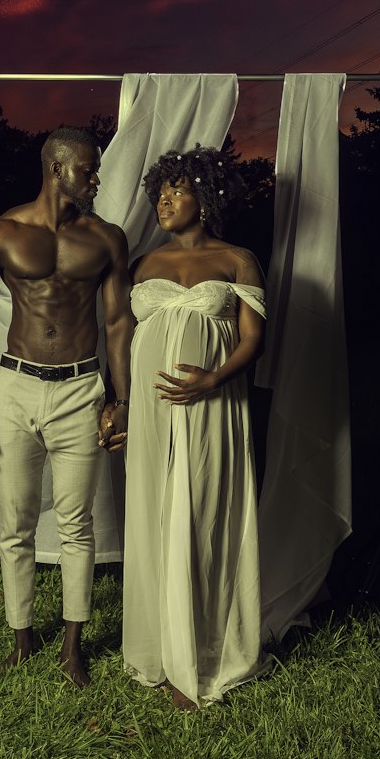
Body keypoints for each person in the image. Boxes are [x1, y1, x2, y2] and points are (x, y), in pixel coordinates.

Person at [0, 126, 132, 687]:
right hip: (14, 389)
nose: (96, 177)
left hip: (81, 387)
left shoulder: (106, 238)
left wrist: (122, 397)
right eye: (89, 168)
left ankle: (73, 646)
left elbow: (118, 323)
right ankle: (22, 635)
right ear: (57, 169)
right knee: (17, 522)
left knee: (78, 524)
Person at [122, 145, 266, 709]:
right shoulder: (145, 264)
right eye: (160, 191)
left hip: (212, 406)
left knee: (204, 509)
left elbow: (253, 339)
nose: (163, 199)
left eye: (176, 191)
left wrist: (212, 380)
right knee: (156, 511)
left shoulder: (237, 259)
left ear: (203, 200)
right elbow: (128, 337)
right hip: (154, 409)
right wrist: (124, 404)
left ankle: (203, 653)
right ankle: (160, 647)